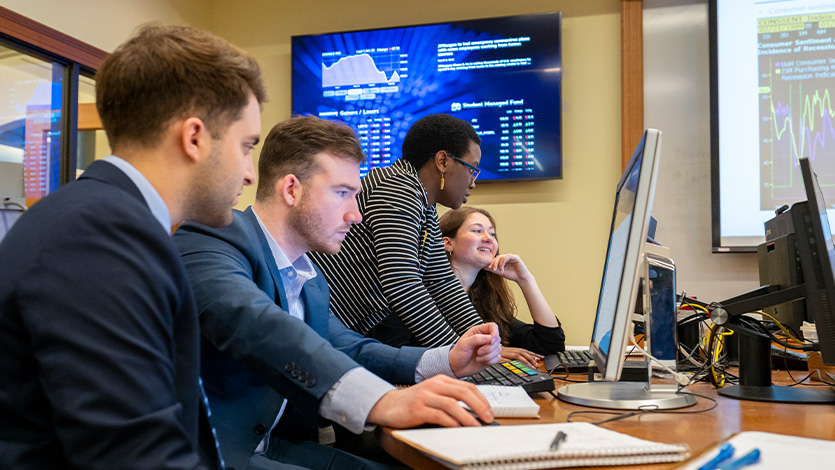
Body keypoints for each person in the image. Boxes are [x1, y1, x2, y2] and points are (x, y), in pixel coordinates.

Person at [0, 24, 266, 469]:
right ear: (195, 137)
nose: (250, 174)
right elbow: (136, 455)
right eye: (246, 146)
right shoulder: (102, 233)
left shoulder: (104, 218)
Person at [172, 115, 502, 470]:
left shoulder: (309, 275)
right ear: (292, 189)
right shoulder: (212, 237)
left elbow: (347, 345)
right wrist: (383, 400)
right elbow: (258, 325)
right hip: (216, 455)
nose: (356, 215)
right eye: (343, 193)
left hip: (274, 444)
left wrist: (447, 358)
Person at [309, 114, 484, 349]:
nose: (473, 182)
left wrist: (485, 343)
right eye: (472, 169)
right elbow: (402, 283)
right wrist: (458, 353)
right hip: (318, 330)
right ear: (442, 161)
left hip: (339, 331)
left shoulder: (425, 206)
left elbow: (441, 282)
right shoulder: (398, 187)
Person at [440, 207, 566, 357]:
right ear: (447, 243)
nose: (489, 238)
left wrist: (525, 280)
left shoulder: (486, 301)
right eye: (477, 231)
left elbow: (550, 345)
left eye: (492, 233)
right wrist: (490, 353)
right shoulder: (421, 296)